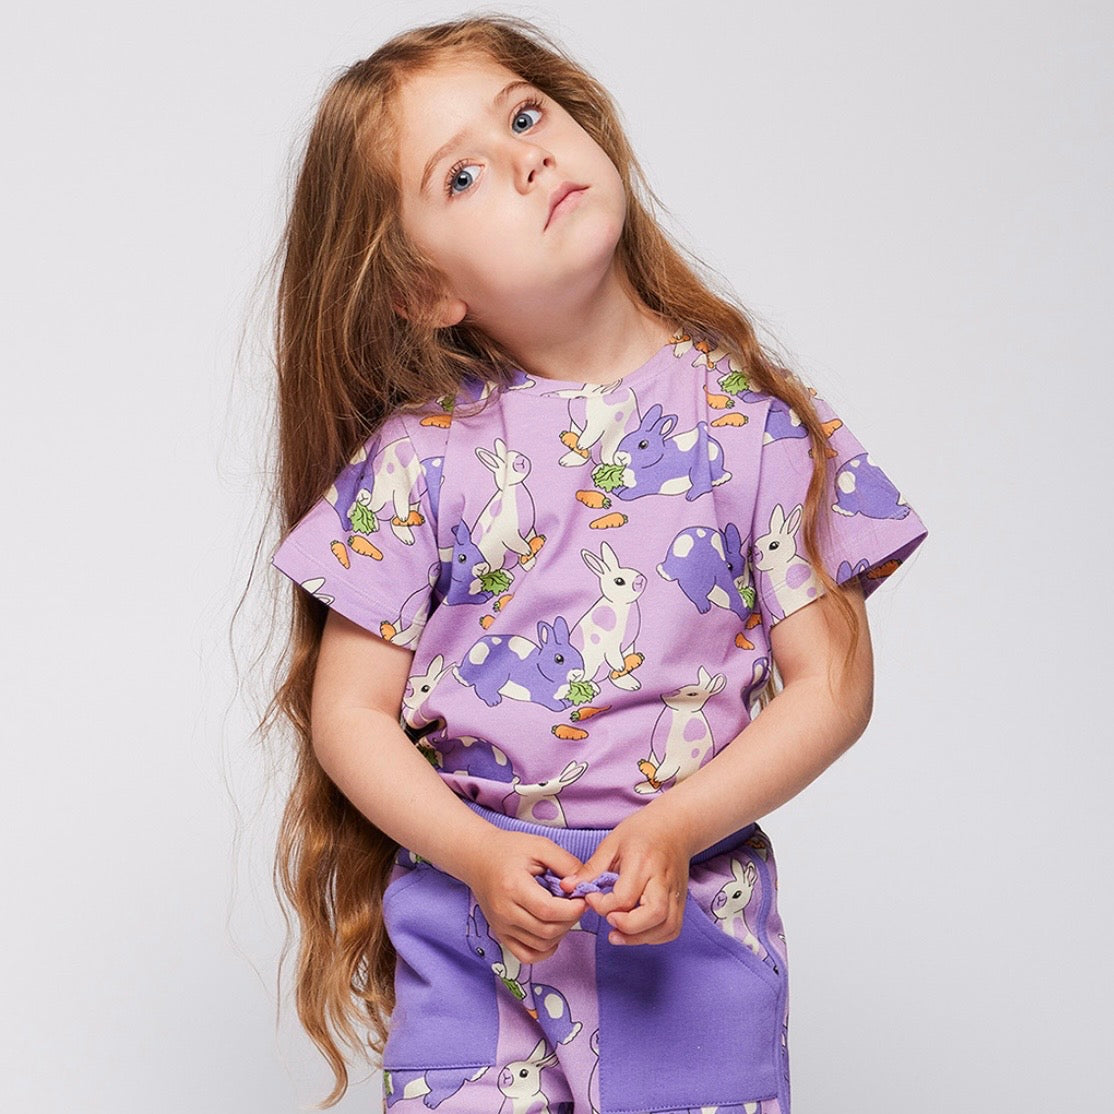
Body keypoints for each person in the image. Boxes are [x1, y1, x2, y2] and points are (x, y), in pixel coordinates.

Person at [263, 13, 928, 1114]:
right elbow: (350, 715)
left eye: (527, 117)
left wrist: (674, 827)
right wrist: (476, 855)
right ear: (423, 290)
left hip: (687, 933)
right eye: (462, 175)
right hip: (473, 941)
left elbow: (834, 685)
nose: (525, 158)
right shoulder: (416, 463)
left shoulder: (756, 429)